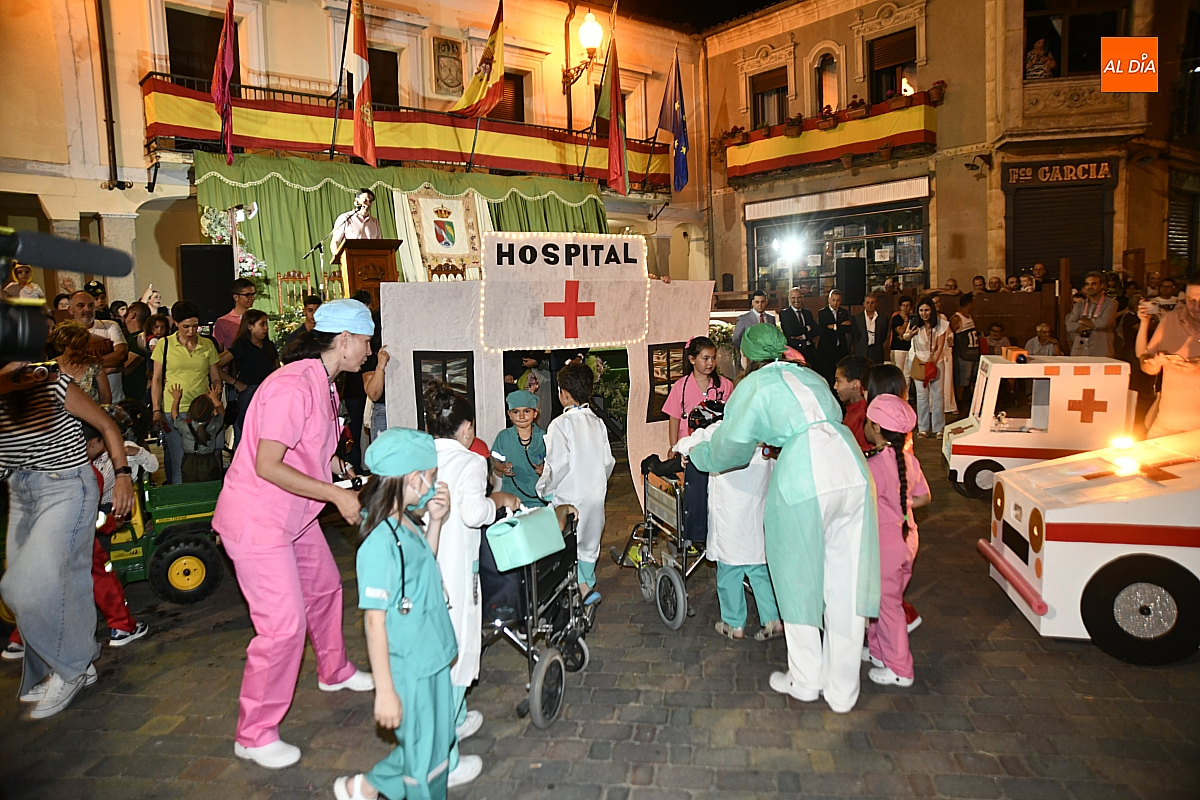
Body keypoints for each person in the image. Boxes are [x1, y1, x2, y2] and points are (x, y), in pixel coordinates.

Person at [212, 298, 376, 769]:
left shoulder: (324, 382)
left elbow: (310, 446)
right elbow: (268, 464)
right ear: (344, 340)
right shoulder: (292, 386)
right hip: (258, 520)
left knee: (325, 588)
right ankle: (254, 733)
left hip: (294, 515)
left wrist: (339, 468)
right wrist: (335, 494)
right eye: (366, 342)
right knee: (283, 627)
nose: (369, 351)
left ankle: (334, 669)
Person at [688, 323, 878, 713]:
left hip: (805, 473)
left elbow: (730, 451)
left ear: (745, 356)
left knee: (797, 578)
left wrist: (697, 453)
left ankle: (806, 680)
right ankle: (843, 690)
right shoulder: (811, 376)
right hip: (852, 467)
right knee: (846, 582)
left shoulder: (752, 387)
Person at [334, 428, 479, 800]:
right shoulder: (380, 541)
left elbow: (422, 568)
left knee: (437, 739)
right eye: (431, 476)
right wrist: (385, 691)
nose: (433, 484)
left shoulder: (407, 523)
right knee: (422, 758)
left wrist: (437, 521)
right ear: (414, 478)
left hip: (432, 654)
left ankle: (366, 786)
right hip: (410, 668)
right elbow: (374, 621)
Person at [0, 366, 134, 718]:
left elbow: (107, 425)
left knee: (24, 589)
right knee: (61, 586)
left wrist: (122, 475)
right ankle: (76, 663)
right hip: (20, 492)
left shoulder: (47, 380)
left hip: (67, 487)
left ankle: (71, 669)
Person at [422, 381, 520, 787]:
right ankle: (443, 759)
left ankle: (458, 717)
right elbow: (474, 513)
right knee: (457, 646)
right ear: (467, 430)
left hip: (424, 561)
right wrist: (501, 501)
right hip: (456, 567)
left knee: (436, 644)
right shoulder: (471, 461)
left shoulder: (422, 456)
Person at [674, 419, 782, 643]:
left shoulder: (723, 430)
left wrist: (680, 450)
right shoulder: (767, 432)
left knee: (729, 571)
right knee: (759, 569)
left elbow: (690, 442)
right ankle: (772, 619)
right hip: (757, 515)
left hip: (729, 517)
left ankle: (734, 624)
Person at [861, 395, 929, 687]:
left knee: (887, 607)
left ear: (876, 427)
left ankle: (900, 668)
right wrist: (903, 504)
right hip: (908, 537)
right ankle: (879, 652)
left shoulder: (872, 465)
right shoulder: (909, 460)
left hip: (884, 544)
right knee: (886, 601)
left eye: (867, 422)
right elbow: (923, 497)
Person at [537, 362, 616, 603]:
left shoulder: (560, 424)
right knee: (589, 544)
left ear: (563, 393)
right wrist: (597, 483)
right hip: (595, 496)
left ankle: (573, 591)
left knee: (567, 543)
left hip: (570, 497)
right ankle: (587, 586)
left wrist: (544, 488)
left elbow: (558, 465)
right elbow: (608, 461)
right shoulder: (597, 422)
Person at [664, 336, 733, 547]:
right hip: (689, 449)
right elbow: (674, 418)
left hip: (715, 448)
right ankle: (694, 536)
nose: (711, 363)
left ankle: (715, 535)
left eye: (713, 358)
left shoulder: (725, 386)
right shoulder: (680, 387)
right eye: (705, 358)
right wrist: (673, 446)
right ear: (692, 359)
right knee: (694, 494)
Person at [150, 301, 222, 485]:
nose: (191, 331)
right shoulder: (165, 344)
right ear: (175, 323)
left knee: (205, 458)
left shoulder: (207, 344)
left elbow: (216, 378)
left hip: (202, 410)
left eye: (195, 326)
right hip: (174, 408)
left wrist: (215, 402)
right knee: (180, 461)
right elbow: (156, 379)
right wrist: (156, 409)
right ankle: (180, 498)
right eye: (186, 327)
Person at [1136, 276, 1200, 438]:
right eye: (1191, 300)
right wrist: (1153, 364)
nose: (1196, 307)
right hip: (1167, 423)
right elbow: (1144, 361)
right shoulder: (1171, 319)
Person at [216, 309, 279, 450]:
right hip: (247, 392)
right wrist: (235, 383)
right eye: (262, 324)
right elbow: (216, 364)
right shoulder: (241, 346)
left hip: (267, 392)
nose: (266, 328)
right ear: (250, 326)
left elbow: (276, 368)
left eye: (266, 324)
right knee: (245, 431)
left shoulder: (269, 346)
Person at [491, 391, 547, 507]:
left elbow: (554, 463)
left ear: (535, 413)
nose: (521, 416)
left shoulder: (544, 437)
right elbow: (493, 461)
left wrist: (544, 469)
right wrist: (503, 468)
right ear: (509, 414)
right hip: (511, 499)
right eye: (516, 412)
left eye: (527, 411)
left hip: (538, 499)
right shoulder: (504, 437)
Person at [902, 297, 948, 438]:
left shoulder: (941, 323)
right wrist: (911, 334)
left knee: (938, 395)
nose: (924, 313)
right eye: (921, 310)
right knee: (922, 397)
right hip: (918, 361)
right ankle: (923, 428)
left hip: (935, 361)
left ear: (932, 310)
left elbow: (940, 346)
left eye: (927, 310)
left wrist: (932, 363)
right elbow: (905, 337)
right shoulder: (915, 323)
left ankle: (939, 428)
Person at [70, 289, 127, 403]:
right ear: (71, 310)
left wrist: (85, 365)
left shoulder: (110, 326)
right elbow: (70, 366)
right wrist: (108, 368)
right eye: (81, 306)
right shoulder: (67, 334)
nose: (87, 309)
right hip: (82, 404)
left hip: (115, 401)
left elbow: (121, 355)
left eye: (91, 305)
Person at [168, 383, 225, 482]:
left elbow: (174, 415)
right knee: (210, 487)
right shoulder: (213, 426)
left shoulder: (185, 426)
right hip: (208, 462)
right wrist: (215, 399)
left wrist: (176, 399)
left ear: (189, 413)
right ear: (212, 413)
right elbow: (221, 413)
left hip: (189, 463)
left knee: (190, 488)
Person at [49, 320, 111, 405]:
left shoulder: (94, 365)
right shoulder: (51, 368)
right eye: (75, 347)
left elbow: (105, 396)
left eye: (83, 346)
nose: (80, 351)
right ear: (61, 347)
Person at [1066, 271, 1116, 357]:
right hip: (1079, 351)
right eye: (1087, 284)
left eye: (1093, 284)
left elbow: (1103, 323)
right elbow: (1070, 326)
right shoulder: (1079, 305)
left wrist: (1082, 321)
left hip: (1101, 351)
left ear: (1102, 285)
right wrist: (1094, 324)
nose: (1090, 287)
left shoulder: (1111, 303)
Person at [814, 289, 852, 386]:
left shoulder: (844, 312)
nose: (835, 303)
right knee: (826, 376)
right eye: (833, 300)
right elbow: (823, 330)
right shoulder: (822, 313)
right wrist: (841, 326)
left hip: (841, 350)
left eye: (838, 300)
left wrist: (834, 327)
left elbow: (849, 328)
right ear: (829, 299)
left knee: (841, 375)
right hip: (826, 350)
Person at [331, 187, 383, 258]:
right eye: (365, 200)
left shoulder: (375, 222)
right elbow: (335, 242)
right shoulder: (345, 218)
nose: (368, 204)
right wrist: (340, 258)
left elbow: (379, 246)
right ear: (356, 200)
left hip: (370, 261)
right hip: (351, 260)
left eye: (370, 201)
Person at [834, 355, 871, 452]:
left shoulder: (863, 416)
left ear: (855, 384)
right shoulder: (851, 408)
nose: (835, 386)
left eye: (838, 381)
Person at [950, 292, 981, 408]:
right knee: (963, 380)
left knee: (973, 378)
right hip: (964, 355)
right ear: (969, 303)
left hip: (974, 353)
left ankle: (973, 401)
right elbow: (951, 335)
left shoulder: (969, 316)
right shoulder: (957, 318)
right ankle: (960, 401)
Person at [213, 278, 258, 351]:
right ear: (236, 297)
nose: (252, 298)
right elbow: (218, 350)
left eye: (253, 294)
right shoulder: (223, 322)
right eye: (247, 295)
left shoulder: (256, 318)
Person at [121, 301, 151, 405]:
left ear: (133, 314)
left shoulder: (140, 339)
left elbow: (127, 368)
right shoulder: (128, 337)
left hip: (136, 395)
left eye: (127, 312)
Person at [779, 287, 817, 365]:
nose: (796, 300)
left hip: (810, 351)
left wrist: (803, 336)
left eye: (799, 297)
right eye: (793, 298)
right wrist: (807, 328)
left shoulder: (807, 312)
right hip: (794, 352)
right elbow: (791, 332)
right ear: (789, 299)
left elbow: (816, 330)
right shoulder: (784, 313)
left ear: (802, 298)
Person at [732, 291, 774, 355]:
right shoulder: (743, 319)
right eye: (757, 302)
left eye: (762, 302)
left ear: (766, 302)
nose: (760, 305)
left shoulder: (771, 318)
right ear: (752, 303)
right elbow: (736, 339)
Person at [851, 294, 886, 364]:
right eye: (867, 302)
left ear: (876, 304)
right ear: (864, 304)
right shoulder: (856, 318)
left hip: (876, 351)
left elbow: (883, 336)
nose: (870, 305)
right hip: (861, 351)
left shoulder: (883, 318)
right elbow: (852, 337)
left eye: (872, 303)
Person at [888, 296, 914, 386]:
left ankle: (906, 393)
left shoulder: (913, 318)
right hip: (898, 349)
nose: (906, 308)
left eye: (908, 306)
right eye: (903, 305)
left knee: (907, 374)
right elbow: (900, 332)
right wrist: (905, 320)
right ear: (900, 307)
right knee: (898, 372)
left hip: (909, 349)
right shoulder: (897, 318)